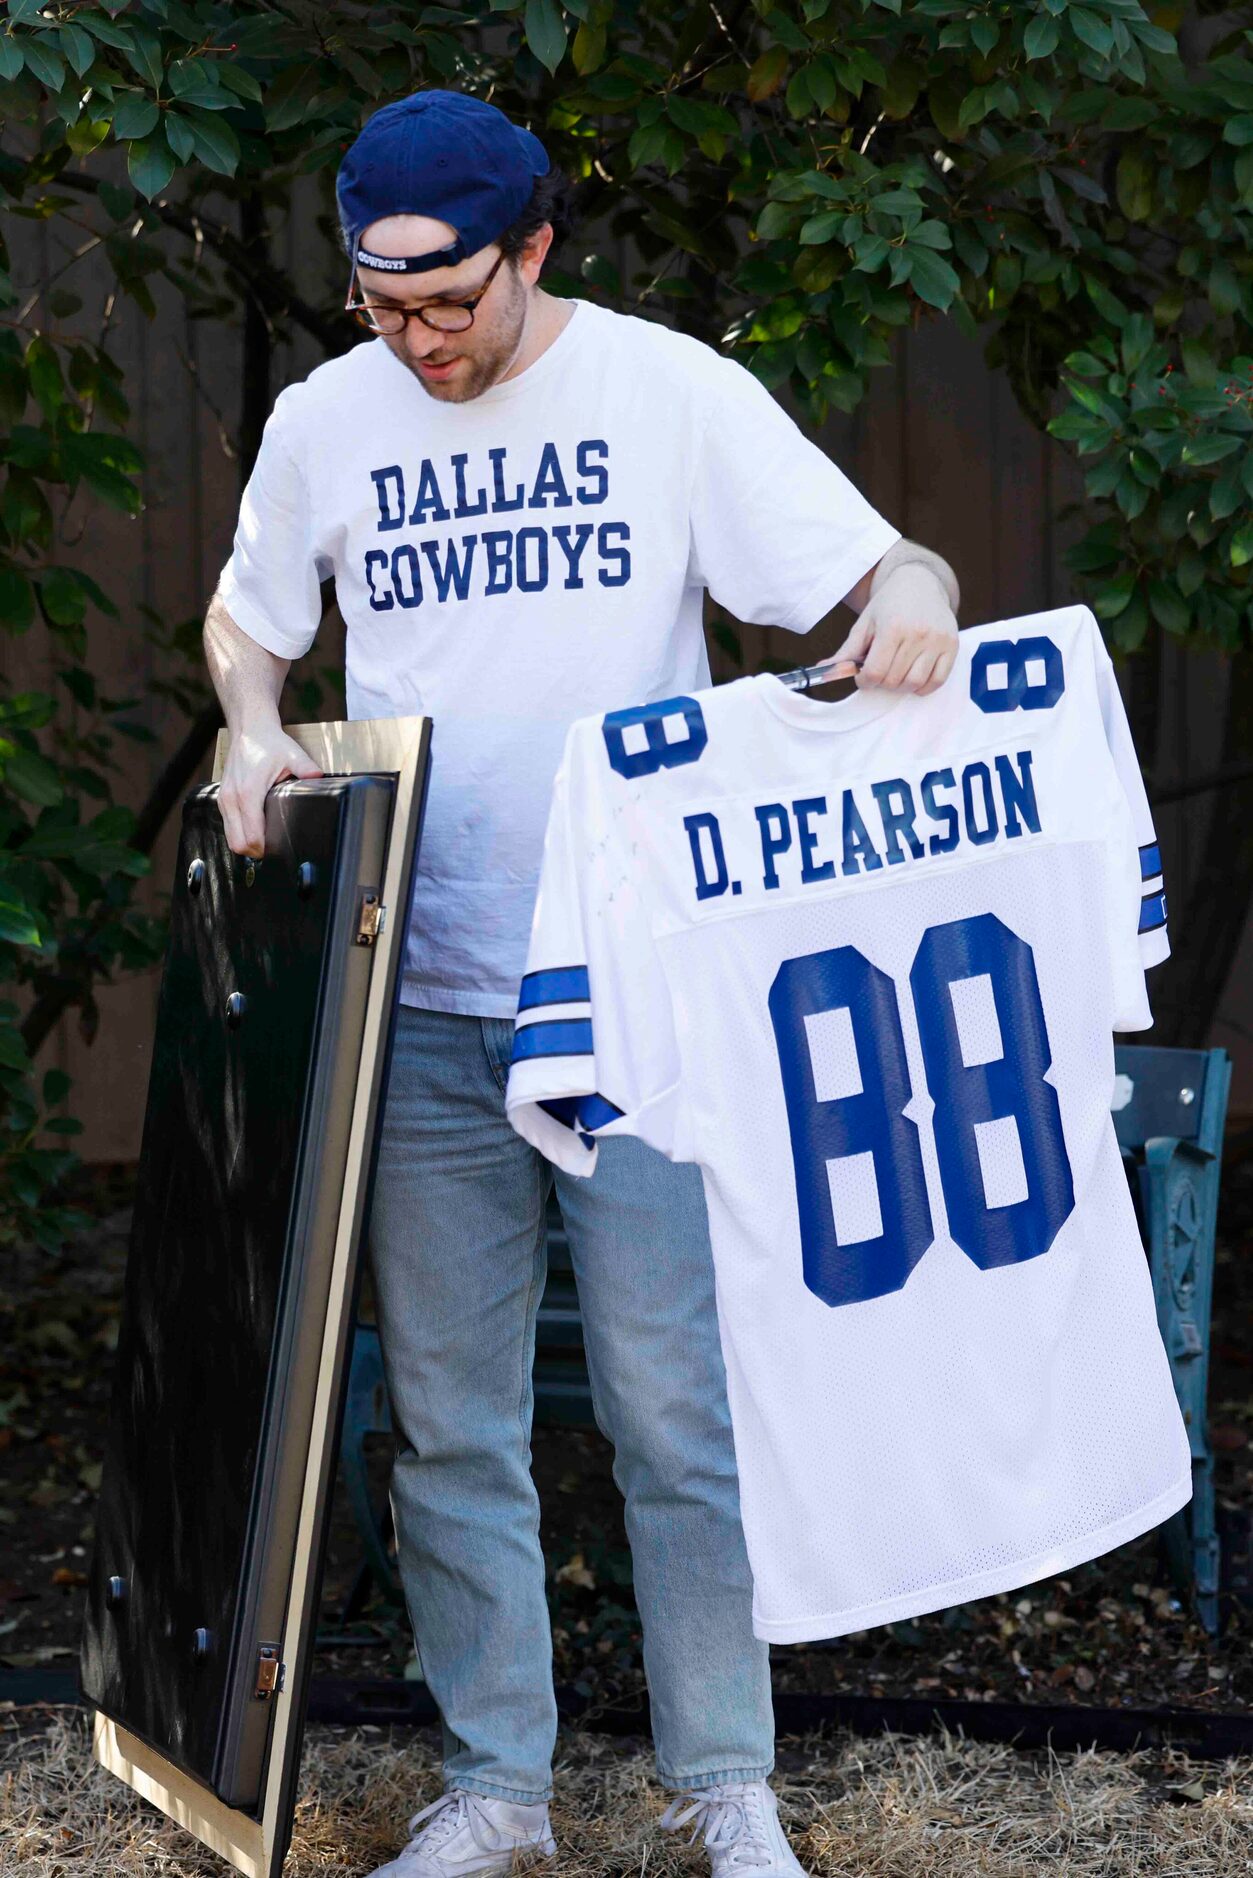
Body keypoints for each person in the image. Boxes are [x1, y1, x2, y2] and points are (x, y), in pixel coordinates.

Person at [204, 88, 961, 1878]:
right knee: (448, 1420)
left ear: (533, 246)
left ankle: (727, 1785)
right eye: (380, 304)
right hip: (421, 985)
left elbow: (875, 566)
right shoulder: (331, 418)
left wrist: (917, 589)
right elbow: (250, 617)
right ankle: (498, 1796)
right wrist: (251, 726)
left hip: (639, 1000)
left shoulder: (666, 392)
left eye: (447, 300)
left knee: (672, 1411)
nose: (414, 337)